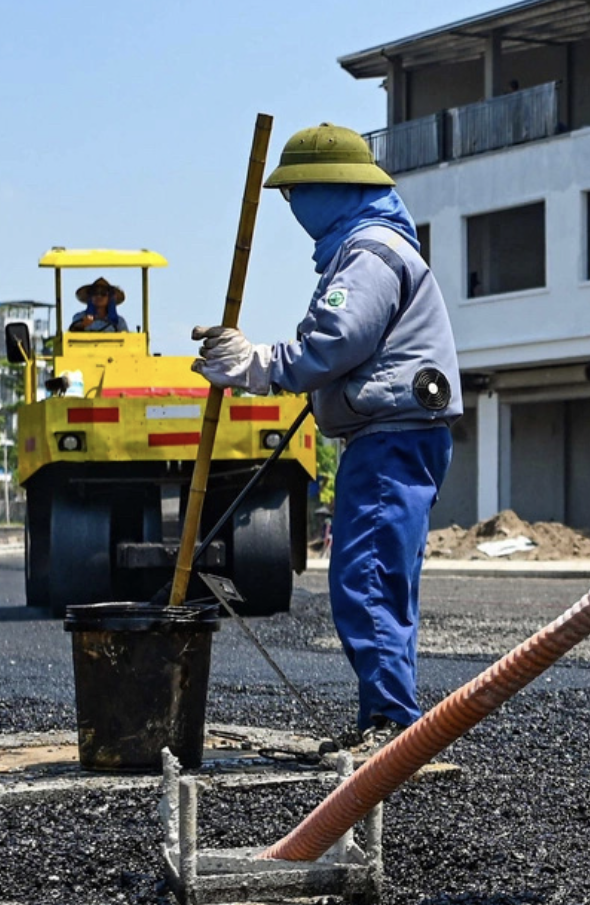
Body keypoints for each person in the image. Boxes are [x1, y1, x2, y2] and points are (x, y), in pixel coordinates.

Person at [192, 124, 458, 752]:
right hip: (396, 432)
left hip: (390, 436)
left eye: (295, 194)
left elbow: (335, 342)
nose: (291, 208)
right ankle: (389, 718)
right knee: (382, 576)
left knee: (367, 575)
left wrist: (254, 364)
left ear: (326, 189)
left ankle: (391, 725)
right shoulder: (373, 246)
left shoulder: (368, 252)